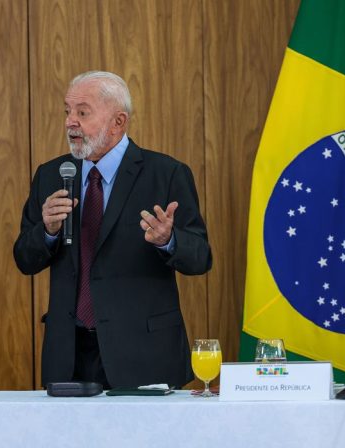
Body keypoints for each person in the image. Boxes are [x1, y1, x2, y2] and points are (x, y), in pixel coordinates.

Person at [13, 71, 212, 389]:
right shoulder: (51, 175)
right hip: (69, 356)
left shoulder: (166, 174)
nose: (69, 122)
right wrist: (47, 231)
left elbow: (201, 257)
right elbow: (24, 259)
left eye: (82, 112)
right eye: (67, 111)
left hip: (143, 354)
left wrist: (168, 241)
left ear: (118, 122)